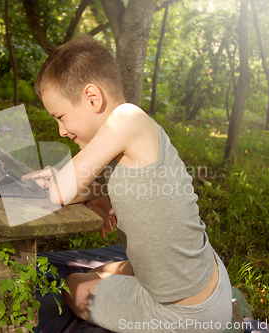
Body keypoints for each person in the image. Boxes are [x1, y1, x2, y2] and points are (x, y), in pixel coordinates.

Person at [22, 35, 233, 333]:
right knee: (103, 271)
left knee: (73, 284)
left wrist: (61, 182)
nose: (61, 131)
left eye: (61, 117)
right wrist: (93, 195)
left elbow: (59, 193)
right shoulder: (128, 142)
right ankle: (126, 274)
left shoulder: (127, 118)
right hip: (209, 280)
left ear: (93, 98)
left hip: (186, 317)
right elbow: (93, 189)